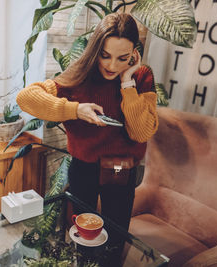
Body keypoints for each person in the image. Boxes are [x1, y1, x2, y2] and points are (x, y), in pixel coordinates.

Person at [17, 13, 158, 242]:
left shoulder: (141, 76)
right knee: (80, 233)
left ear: (134, 53)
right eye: (105, 55)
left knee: (115, 233)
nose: (112, 65)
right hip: (83, 165)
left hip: (120, 167)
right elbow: (26, 98)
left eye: (123, 58)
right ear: (96, 49)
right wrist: (75, 110)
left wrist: (127, 83)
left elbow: (141, 132)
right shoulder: (80, 73)